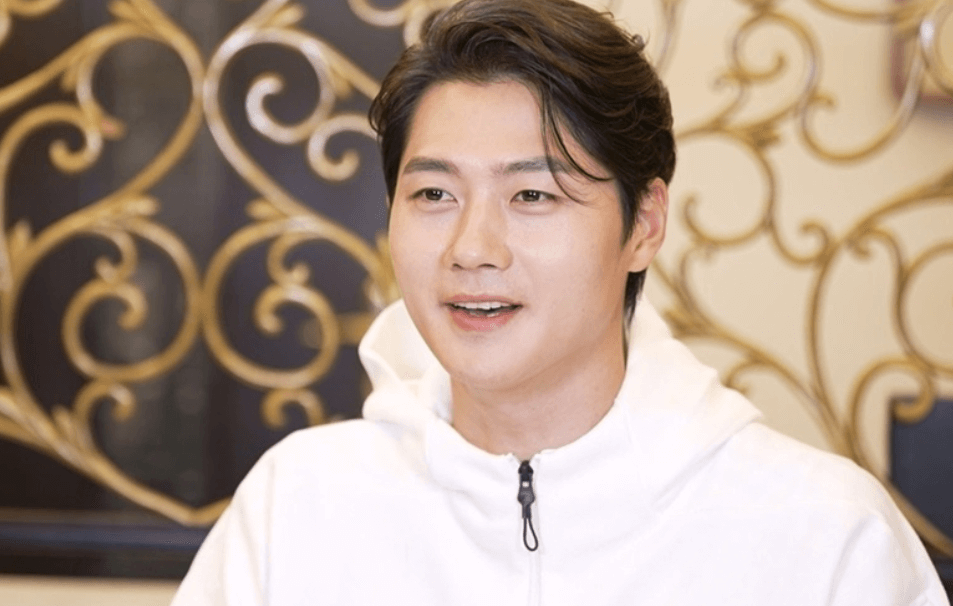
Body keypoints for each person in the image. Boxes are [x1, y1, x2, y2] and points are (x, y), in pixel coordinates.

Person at [172, 0, 950, 604]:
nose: (473, 248)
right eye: (435, 193)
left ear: (643, 225)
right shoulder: (297, 509)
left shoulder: (821, 535)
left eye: (534, 195)